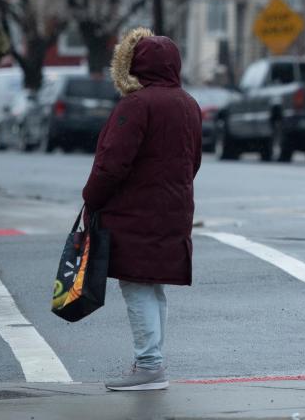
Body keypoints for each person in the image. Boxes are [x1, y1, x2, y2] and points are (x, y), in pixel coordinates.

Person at [82, 27, 202, 391]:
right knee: (152, 286)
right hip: (173, 210)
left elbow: (111, 164)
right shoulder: (188, 104)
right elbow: (193, 161)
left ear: (135, 66)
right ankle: (151, 362)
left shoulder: (136, 106)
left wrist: (91, 197)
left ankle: (149, 366)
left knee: (136, 284)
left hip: (135, 212)